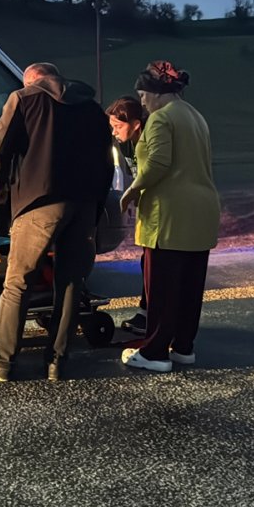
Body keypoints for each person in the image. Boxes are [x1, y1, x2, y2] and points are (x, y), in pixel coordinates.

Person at [0, 63, 113, 383]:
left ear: (32, 80)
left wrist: (0, 196)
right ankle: (57, 362)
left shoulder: (23, 99)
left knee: (17, 282)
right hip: (84, 205)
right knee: (71, 283)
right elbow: (107, 162)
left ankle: (2, 362)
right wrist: (96, 207)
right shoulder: (92, 108)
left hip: (38, 203)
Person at [118, 61, 221, 373]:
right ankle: (183, 346)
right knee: (190, 285)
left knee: (161, 286)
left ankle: (155, 351)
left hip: (169, 214)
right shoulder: (195, 116)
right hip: (202, 209)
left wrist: (132, 190)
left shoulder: (161, 118)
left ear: (156, 92)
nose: (142, 101)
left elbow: (159, 163)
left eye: (143, 94)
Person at [106, 96, 149, 335]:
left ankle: (150, 314)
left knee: (153, 263)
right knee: (147, 262)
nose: (114, 132)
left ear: (135, 123)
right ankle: (146, 311)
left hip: (159, 212)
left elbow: (152, 171)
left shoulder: (146, 141)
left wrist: (130, 195)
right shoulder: (127, 144)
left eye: (118, 126)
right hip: (147, 209)